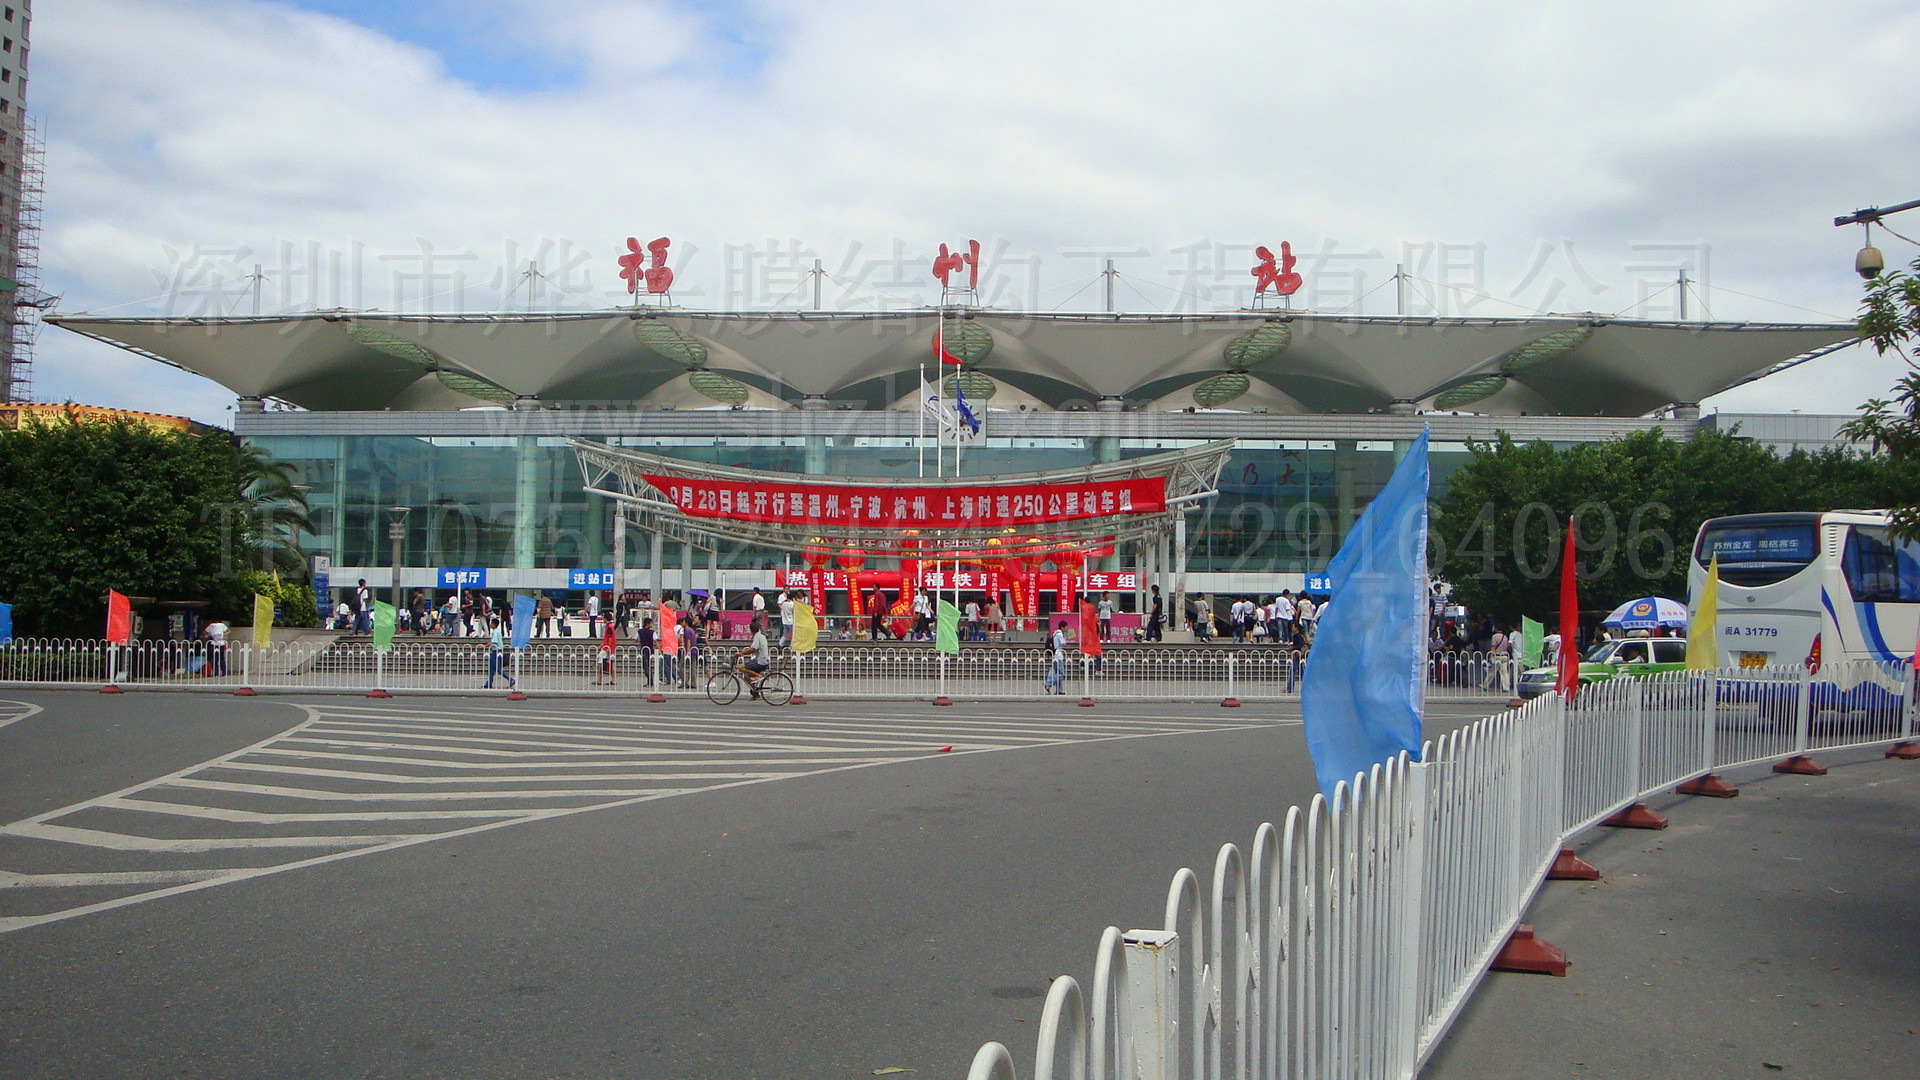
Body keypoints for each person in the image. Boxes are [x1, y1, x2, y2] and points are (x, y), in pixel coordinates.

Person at [731, 623, 773, 697]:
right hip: (764, 660)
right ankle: (755, 692)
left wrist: (741, 653)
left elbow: (752, 649)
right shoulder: (762, 636)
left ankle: (758, 676)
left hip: (760, 661)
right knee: (745, 676)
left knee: (739, 667)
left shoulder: (757, 636)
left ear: (751, 631)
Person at [484, 614, 513, 689]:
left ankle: (510, 679)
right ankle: (489, 683)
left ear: (494, 624)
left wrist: (484, 646)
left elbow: (494, 642)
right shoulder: (496, 632)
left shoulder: (495, 632)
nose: (490, 624)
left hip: (496, 651)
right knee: (491, 668)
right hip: (495, 651)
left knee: (498, 668)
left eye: (491, 623)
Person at [1043, 619, 1068, 694]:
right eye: (1066, 627)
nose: (1067, 629)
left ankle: (1059, 690)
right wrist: (1065, 636)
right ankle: (1048, 683)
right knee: (1061, 674)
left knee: (1057, 673)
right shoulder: (1059, 634)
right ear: (1062, 627)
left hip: (1055, 655)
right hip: (1058, 656)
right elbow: (1063, 643)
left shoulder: (1055, 633)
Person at [637, 617, 656, 687]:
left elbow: (636, 639)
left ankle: (649, 680)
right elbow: (656, 640)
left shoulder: (640, 631)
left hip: (643, 650)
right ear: (647, 624)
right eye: (651, 623)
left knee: (646, 666)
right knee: (649, 666)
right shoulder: (652, 632)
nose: (652, 625)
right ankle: (651, 681)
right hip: (651, 650)